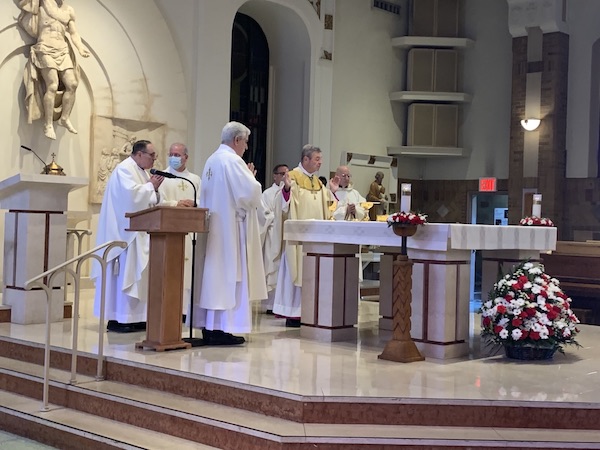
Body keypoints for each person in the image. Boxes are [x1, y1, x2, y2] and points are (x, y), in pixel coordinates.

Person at [193, 121, 267, 345]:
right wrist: (252, 177)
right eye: (245, 142)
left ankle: (211, 326)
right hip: (230, 231)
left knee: (215, 279)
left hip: (214, 228)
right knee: (228, 278)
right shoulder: (233, 161)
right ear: (236, 140)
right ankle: (223, 328)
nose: (246, 148)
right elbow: (250, 194)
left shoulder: (212, 160)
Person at [92, 140, 164, 333]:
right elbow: (130, 198)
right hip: (124, 234)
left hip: (139, 232)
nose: (154, 159)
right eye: (152, 155)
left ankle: (137, 317)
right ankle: (119, 318)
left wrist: (154, 189)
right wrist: (150, 186)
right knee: (125, 275)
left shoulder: (142, 172)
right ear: (139, 154)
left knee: (138, 278)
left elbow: (147, 199)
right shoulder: (124, 169)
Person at [272, 145, 339, 327]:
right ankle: (293, 313)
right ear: (306, 159)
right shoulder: (292, 177)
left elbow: (327, 206)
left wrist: (332, 192)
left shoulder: (317, 182)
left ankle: (308, 312)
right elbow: (282, 205)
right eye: (317, 159)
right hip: (298, 239)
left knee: (311, 274)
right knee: (295, 272)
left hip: (313, 240)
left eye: (320, 159)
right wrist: (286, 190)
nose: (320, 163)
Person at [17, 0, 90, 140]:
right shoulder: (41, 3)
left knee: (72, 84)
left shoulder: (68, 10)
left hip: (62, 50)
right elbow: (26, 4)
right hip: (45, 47)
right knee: (53, 84)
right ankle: (48, 124)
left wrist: (80, 48)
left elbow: (74, 33)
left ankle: (64, 118)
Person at [158, 143, 201, 319]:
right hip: (170, 231)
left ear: (186, 157)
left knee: (189, 273)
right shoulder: (162, 177)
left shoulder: (195, 180)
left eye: (177, 154)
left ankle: (186, 311)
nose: (174, 158)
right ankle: (169, 308)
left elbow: (203, 200)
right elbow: (157, 201)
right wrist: (176, 204)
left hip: (191, 233)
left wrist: (195, 204)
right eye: (171, 154)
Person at [258, 164, 289, 315]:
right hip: (272, 235)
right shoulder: (267, 194)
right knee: (272, 267)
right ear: (274, 176)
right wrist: (275, 219)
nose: (284, 177)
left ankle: (283, 304)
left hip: (286, 235)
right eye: (282, 174)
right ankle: (270, 305)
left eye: (287, 174)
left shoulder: (291, 192)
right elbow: (263, 214)